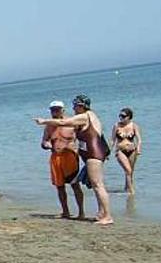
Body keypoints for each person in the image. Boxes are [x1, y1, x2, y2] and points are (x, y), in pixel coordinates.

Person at [35, 94, 113, 225]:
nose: (74, 108)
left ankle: (107, 216)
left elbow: (63, 122)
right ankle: (101, 213)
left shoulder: (84, 116)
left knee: (98, 185)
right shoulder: (89, 117)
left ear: (81, 106)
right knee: (94, 186)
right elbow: (100, 136)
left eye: (75, 106)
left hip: (90, 155)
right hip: (86, 154)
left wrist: (43, 121)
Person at [41, 101, 85, 219]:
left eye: (57, 109)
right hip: (56, 157)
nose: (55, 112)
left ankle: (81, 212)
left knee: (75, 185)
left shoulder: (72, 122)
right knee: (59, 186)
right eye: (52, 110)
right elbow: (44, 141)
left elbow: (84, 137)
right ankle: (65, 211)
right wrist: (47, 144)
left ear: (63, 110)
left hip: (70, 157)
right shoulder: (49, 125)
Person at [111, 107, 142, 194]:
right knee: (128, 170)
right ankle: (131, 192)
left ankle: (126, 188)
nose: (121, 118)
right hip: (120, 151)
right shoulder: (116, 125)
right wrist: (108, 152)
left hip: (132, 151)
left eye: (123, 116)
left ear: (129, 117)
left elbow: (139, 139)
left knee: (130, 172)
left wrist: (139, 148)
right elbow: (112, 140)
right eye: (120, 116)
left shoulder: (134, 126)